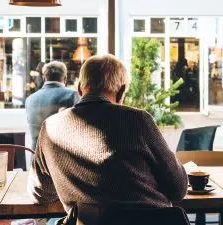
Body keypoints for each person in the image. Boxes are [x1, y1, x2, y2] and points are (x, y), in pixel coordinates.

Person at [27, 54, 188, 225]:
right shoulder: (138, 120)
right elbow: (178, 188)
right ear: (120, 92)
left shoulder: (50, 127)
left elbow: (39, 193)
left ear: (80, 89)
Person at [25, 61, 80, 150]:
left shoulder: (29, 99)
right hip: (61, 159)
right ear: (65, 78)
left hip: (35, 158)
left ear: (44, 79)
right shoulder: (73, 96)